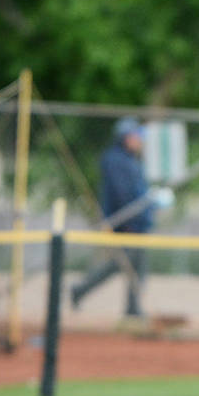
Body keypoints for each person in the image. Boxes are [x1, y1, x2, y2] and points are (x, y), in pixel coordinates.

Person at [71, 117, 154, 318]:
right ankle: (81, 290)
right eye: (135, 136)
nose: (139, 140)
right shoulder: (116, 160)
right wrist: (129, 222)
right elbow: (122, 194)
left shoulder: (130, 159)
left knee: (135, 266)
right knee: (121, 265)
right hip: (127, 224)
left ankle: (132, 308)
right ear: (125, 137)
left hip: (136, 223)